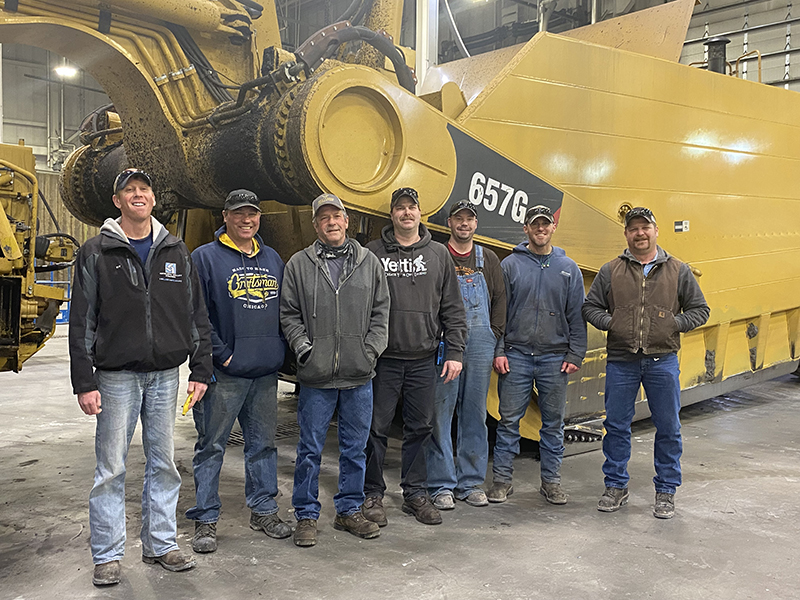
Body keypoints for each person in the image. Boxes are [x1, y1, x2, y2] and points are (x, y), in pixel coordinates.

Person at [69, 168, 213, 586]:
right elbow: (82, 321)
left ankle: (161, 544)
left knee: (164, 463)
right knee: (111, 467)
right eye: (129, 190)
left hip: (166, 374)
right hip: (115, 377)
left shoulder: (176, 251)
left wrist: (200, 368)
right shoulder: (96, 252)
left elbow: (195, 315)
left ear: (153, 199)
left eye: (144, 189)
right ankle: (109, 554)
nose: (137, 195)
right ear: (117, 201)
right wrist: (84, 380)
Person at [582, 206, 709, 519]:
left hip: (662, 360)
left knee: (668, 427)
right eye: (633, 228)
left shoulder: (679, 270)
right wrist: (612, 323)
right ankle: (615, 485)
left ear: (655, 231)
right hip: (621, 361)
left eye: (645, 228)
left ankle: (666, 490)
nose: (640, 233)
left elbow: (700, 310)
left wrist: (673, 324)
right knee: (616, 426)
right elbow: (590, 307)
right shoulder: (610, 270)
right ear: (626, 234)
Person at [280, 193, 390, 547]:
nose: (331, 222)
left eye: (336, 216)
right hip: (317, 376)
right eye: (323, 217)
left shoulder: (369, 262)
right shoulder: (299, 263)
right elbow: (289, 314)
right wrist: (304, 350)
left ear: (347, 221)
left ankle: (349, 510)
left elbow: (381, 313)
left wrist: (369, 351)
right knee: (310, 448)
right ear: (315, 225)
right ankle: (306, 515)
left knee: (355, 448)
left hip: (359, 376)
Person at [186, 189, 291, 553]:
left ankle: (263, 510)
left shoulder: (273, 258)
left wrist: (278, 351)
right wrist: (223, 355)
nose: (247, 220)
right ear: (225, 216)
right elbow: (196, 315)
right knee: (211, 446)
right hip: (225, 375)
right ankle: (206, 520)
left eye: (253, 214)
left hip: (264, 375)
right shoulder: (205, 258)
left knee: (263, 446)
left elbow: (285, 311)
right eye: (239, 214)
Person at [362, 187, 466, 526]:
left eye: (412, 208)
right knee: (375, 428)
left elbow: (453, 307)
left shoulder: (437, 254)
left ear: (420, 214)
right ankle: (372, 492)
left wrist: (455, 351)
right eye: (400, 208)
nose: (406, 213)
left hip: (423, 359)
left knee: (420, 427)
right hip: (383, 360)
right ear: (391, 214)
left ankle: (415, 493)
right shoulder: (372, 253)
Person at [489, 205, 587, 505]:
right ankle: (502, 482)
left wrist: (576, 353)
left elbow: (577, 315)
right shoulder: (510, 266)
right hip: (516, 356)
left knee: (553, 424)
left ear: (553, 228)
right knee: (508, 422)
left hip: (555, 359)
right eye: (535, 225)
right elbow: (500, 312)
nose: (540, 229)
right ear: (526, 229)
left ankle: (551, 482)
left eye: (545, 224)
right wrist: (500, 349)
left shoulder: (568, 268)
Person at [426, 200, 506, 510]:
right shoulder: (436, 255)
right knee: (440, 413)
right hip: (445, 342)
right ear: (449, 222)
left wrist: (493, 335)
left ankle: (471, 482)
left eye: (469, 219)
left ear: (475, 224)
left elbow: (500, 301)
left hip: (481, 342)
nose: (464, 224)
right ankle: (441, 484)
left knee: (475, 413)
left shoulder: (489, 260)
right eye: (458, 218)